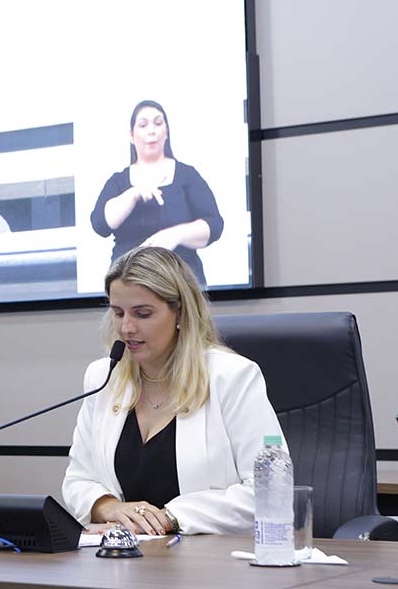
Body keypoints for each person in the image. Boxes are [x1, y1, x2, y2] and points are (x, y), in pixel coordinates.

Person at [62, 247, 284, 535]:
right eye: (118, 313)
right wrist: (108, 506)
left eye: (142, 314)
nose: (126, 327)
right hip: (122, 556)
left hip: (208, 558)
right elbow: (78, 479)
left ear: (180, 313)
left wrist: (170, 517)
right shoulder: (104, 377)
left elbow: (270, 491)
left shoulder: (231, 377)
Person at [90, 100, 224, 285]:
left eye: (158, 123)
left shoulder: (187, 175)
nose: (151, 130)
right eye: (143, 125)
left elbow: (214, 225)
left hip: (180, 282)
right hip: (130, 284)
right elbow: (100, 225)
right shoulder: (118, 181)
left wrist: (175, 235)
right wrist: (133, 194)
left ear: (166, 131)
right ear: (131, 135)